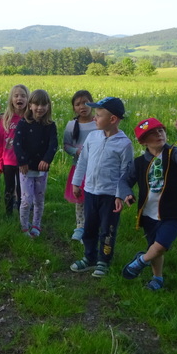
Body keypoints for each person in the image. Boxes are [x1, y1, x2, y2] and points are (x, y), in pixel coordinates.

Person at [118, 118, 177, 291]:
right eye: (152, 133)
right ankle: (157, 278)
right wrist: (126, 194)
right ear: (143, 141)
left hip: (173, 211)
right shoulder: (139, 163)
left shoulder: (172, 154)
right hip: (149, 213)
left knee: (161, 245)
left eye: (160, 131)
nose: (159, 135)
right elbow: (124, 181)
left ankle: (140, 261)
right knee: (154, 247)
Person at [70, 96, 133, 277]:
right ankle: (89, 257)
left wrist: (120, 195)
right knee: (89, 227)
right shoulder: (92, 137)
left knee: (107, 230)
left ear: (112, 119)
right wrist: (76, 182)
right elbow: (82, 161)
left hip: (110, 196)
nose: (94, 118)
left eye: (98, 115)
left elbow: (126, 173)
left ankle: (103, 261)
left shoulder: (124, 144)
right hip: (90, 192)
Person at [13, 89, 58, 238]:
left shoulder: (50, 125)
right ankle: (24, 226)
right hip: (26, 169)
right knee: (26, 200)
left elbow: (53, 145)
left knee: (39, 199)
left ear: (48, 106)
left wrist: (46, 160)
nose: (40, 108)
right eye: (36, 104)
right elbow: (17, 144)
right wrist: (22, 161)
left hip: (41, 169)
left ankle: (36, 224)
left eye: (43, 104)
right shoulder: (23, 123)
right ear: (30, 105)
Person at [63, 90, 97, 242]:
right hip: (79, 168)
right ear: (74, 108)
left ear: (92, 103)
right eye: (78, 104)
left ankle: (91, 226)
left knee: (93, 198)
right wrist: (76, 151)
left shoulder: (98, 123)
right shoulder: (72, 125)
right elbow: (66, 145)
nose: (82, 107)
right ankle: (80, 226)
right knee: (80, 199)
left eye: (85, 102)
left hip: (95, 169)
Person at [0, 84, 29, 216]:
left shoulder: (29, 118)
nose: (19, 98)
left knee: (22, 189)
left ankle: (23, 214)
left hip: (24, 162)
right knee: (9, 188)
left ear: (28, 99)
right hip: (8, 161)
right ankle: (8, 214)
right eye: (16, 96)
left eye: (23, 96)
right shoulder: (6, 119)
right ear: (11, 99)